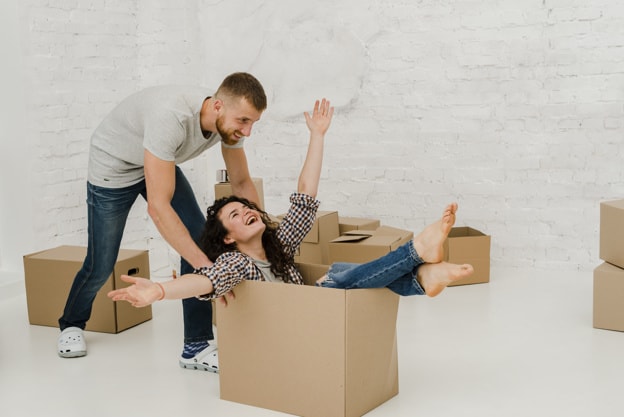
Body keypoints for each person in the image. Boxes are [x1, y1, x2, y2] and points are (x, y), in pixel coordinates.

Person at [107, 98, 474, 325]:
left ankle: (422, 278)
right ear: (229, 238)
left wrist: (317, 136)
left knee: (339, 274)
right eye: (235, 216)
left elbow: (304, 197)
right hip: (295, 324)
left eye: (246, 208)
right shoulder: (239, 265)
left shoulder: (278, 244)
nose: (247, 212)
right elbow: (204, 282)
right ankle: (417, 256)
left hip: (318, 308)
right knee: (337, 279)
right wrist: (158, 289)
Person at [57, 72, 267, 374]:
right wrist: (207, 267)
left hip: (154, 161)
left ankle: (196, 346)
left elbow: (242, 182)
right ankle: (71, 324)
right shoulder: (171, 116)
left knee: (198, 239)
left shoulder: (229, 124)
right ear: (218, 106)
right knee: (101, 263)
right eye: (244, 121)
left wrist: (264, 237)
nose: (247, 131)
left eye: (252, 123)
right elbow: (159, 208)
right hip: (113, 169)